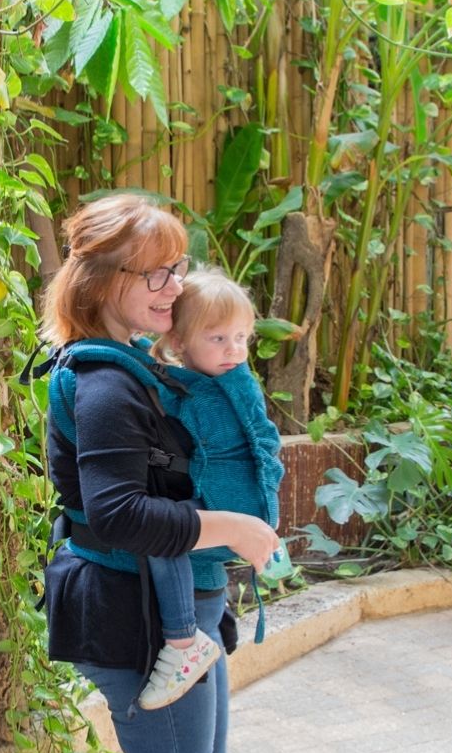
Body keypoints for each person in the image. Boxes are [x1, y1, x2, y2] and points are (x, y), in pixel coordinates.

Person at [32, 194, 279, 753]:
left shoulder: (136, 361)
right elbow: (120, 514)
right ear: (103, 278)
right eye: (156, 272)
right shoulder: (105, 383)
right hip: (133, 616)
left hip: (174, 606)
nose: (174, 286)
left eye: (177, 267)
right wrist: (234, 526)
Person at [48, 269, 285, 712]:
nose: (234, 350)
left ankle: (183, 639)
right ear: (181, 342)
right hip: (221, 518)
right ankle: (183, 637)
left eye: (241, 338)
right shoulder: (119, 382)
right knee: (162, 526)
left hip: (230, 500)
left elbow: (200, 414)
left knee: (166, 531)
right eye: (218, 339)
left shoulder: (216, 382)